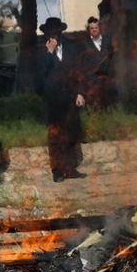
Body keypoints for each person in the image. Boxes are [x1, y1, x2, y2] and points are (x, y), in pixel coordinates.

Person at [36, 17, 86, 182]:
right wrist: (50, 53)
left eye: (57, 31)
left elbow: (79, 72)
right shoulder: (40, 51)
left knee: (71, 133)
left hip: (70, 98)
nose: (54, 34)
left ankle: (70, 168)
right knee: (55, 136)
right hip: (52, 101)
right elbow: (40, 75)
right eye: (51, 32)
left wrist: (80, 93)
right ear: (46, 34)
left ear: (60, 32)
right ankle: (57, 170)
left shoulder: (71, 49)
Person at [75, 16, 116, 109]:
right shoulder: (85, 45)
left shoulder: (108, 41)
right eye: (91, 28)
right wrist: (80, 92)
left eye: (96, 28)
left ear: (100, 28)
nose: (94, 30)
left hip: (108, 82)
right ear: (89, 30)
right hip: (92, 83)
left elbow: (113, 57)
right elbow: (82, 68)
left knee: (111, 107)